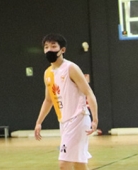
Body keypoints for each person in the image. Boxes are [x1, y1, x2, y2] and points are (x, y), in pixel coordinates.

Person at [34, 34, 99, 170]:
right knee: (79, 164)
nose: (49, 50)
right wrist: (39, 122)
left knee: (64, 164)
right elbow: (48, 100)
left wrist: (95, 119)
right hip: (64, 122)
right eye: (46, 47)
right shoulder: (47, 73)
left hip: (78, 119)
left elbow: (89, 93)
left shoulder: (71, 68)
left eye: (53, 46)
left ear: (62, 50)